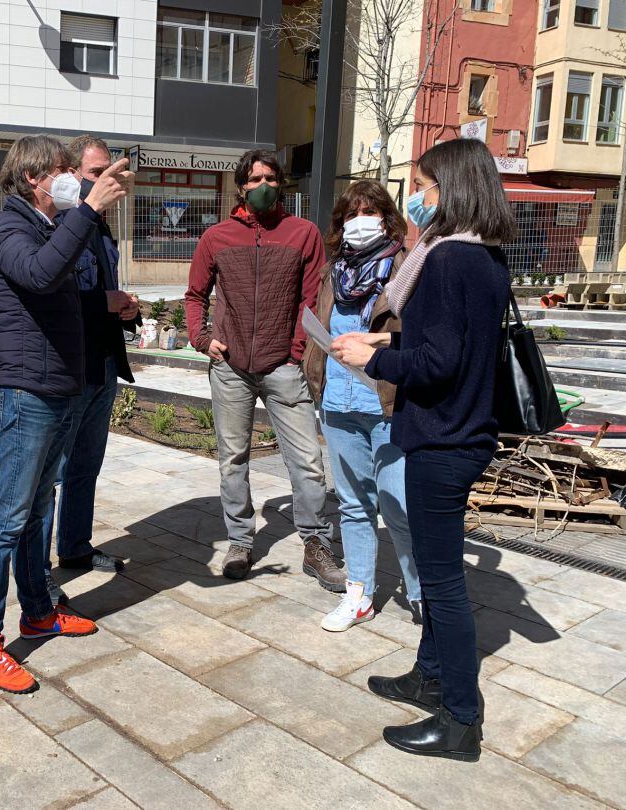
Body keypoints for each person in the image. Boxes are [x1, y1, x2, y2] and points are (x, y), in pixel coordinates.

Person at [333, 138, 514, 761]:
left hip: (442, 437)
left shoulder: (446, 261)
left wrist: (372, 359)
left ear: (451, 190)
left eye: (423, 187)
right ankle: (428, 675)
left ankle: (460, 720)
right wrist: (385, 345)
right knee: (440, 578)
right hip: (464, 431)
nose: (417, 198)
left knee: (442, 583)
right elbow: (456, 346)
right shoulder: (486, 257)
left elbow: (438, 362)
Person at [0, 135, 132, 694]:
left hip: (58, 386)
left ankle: (38, 612)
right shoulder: (9, 231)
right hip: (25, 393)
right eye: (62, 170)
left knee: (39, 510)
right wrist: (88, 209)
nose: (71, 179)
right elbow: (40, 275)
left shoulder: (46, 228)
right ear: (33, 178)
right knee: (9, 519)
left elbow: (62, 292)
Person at [185, 150, 344, 590]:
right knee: (232, 460)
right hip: (231, 368)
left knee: (308, 461)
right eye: (254, 179)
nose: (263, 185)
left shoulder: (302, 233)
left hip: (283, 368)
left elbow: (312, 300)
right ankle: (240, 541)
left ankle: (316, 543)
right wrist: (202, 339)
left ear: (281, 184)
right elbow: (195, 295)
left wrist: (295, 352)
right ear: (241, 187)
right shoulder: (217, 237)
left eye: (270, 178)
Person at [304, 181, 423, 632]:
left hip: (388, 402)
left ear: (387, 218)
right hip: (338, 402)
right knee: (353, 505)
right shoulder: (333, 271)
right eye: (351, 214)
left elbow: (422, 335)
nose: (360, 221)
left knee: (399, 507)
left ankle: (422, 596)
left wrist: (379, 343)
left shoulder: (407, 267)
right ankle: (359, 595)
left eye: (369, 211)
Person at [41, 135, 140, 606]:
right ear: (72, 176)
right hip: (70, 368)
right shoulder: (60, 227)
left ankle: (75, 546)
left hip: (103, 363)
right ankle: (38, 570)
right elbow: (51, 295)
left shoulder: (101, 227)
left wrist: (124, 308)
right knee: (51, 473)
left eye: (109, 172)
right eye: (96, 173)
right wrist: (104, 301)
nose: (105, 181)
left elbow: (103, 290)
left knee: (86, 465)